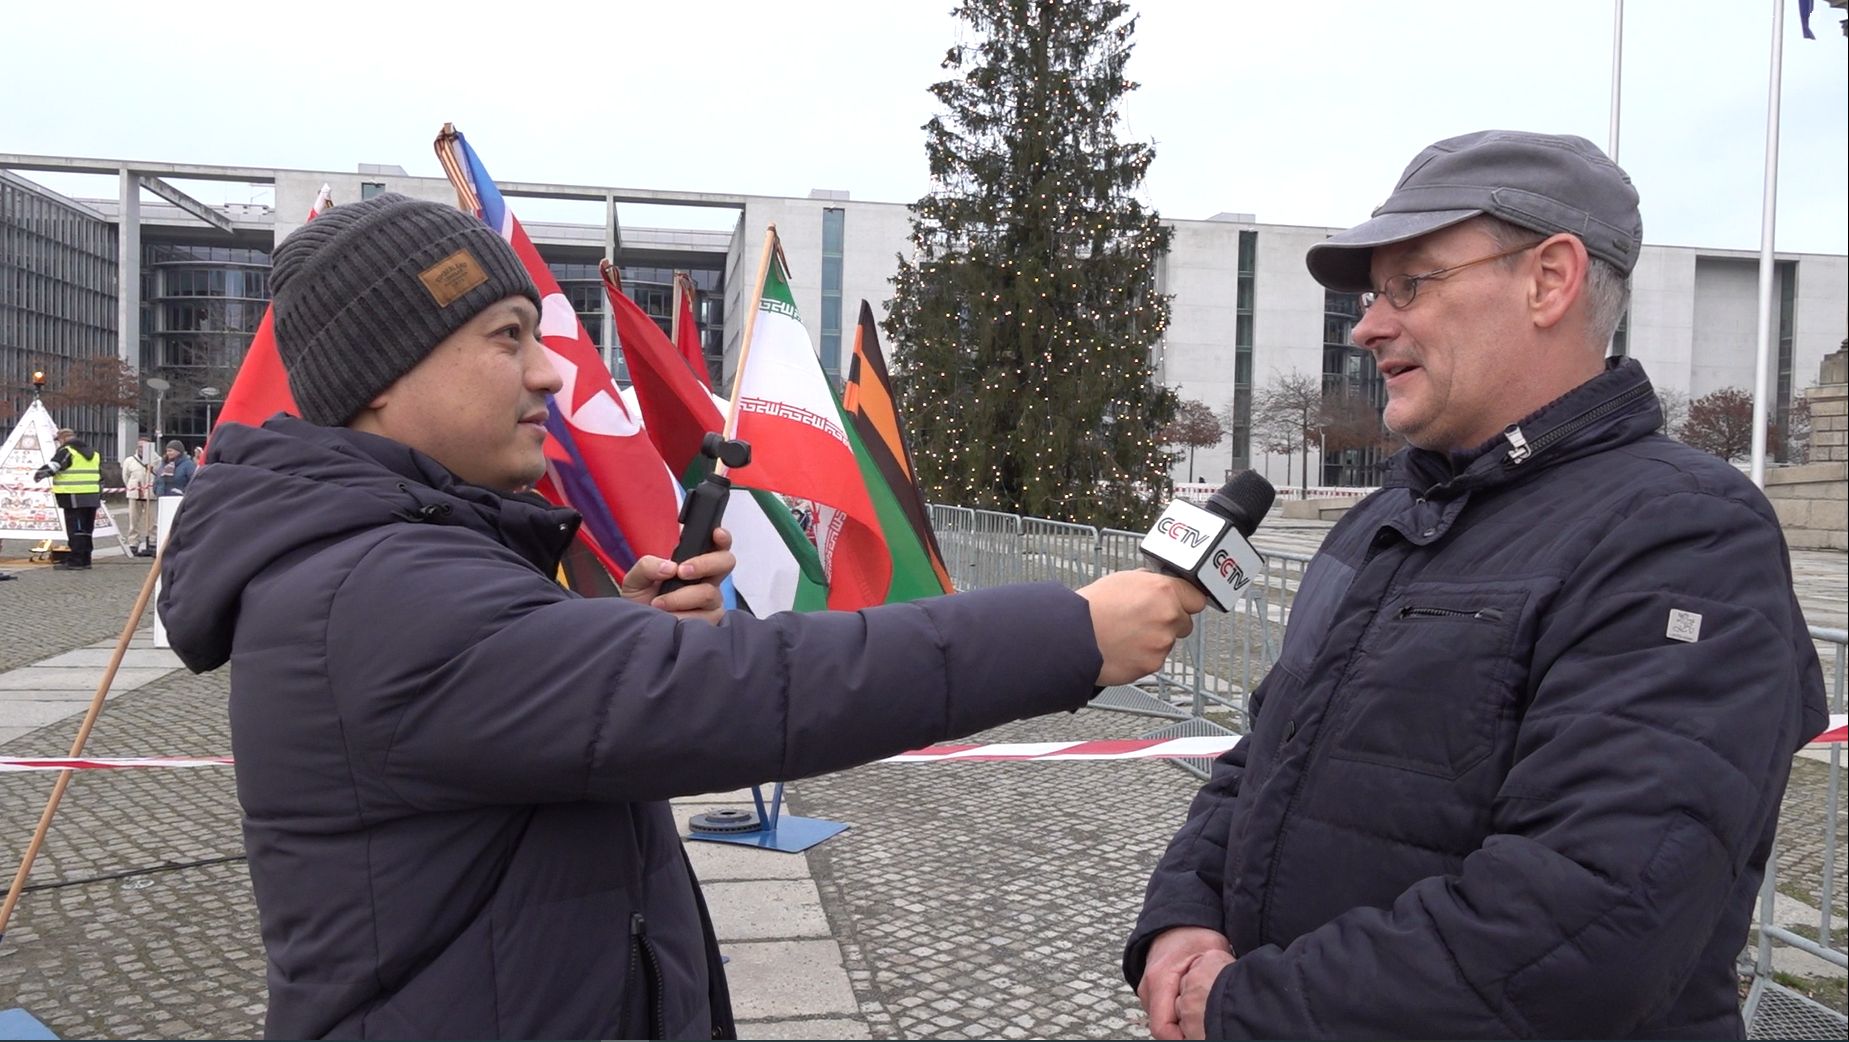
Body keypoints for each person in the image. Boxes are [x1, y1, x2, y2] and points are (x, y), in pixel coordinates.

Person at [158, 193, 1205, 1040]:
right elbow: (749, 690)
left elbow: (521, 707)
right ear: (382, 378)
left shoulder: (390, 561)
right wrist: (1070, 634)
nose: (548, 370)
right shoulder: (376, 588)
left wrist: (613, 631)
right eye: (507, 337)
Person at [1124, 131, 1828, 1040]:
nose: (1368, 327)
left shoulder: (1684, 533)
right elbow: (1264, 755)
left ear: (1549, 280)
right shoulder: (1380, 520)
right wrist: (1185, 915)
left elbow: (1589, 925)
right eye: (1373, 294)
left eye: (1409, 285)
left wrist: (1247, 1008)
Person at [32, 427, 101, 570]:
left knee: (76, 529)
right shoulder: (94, 453)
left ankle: (76, 561)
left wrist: (38, 474)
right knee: (87, 530)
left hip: (73, 496)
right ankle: (86, 559)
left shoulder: (67, 451)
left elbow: (53, 467)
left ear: (62, 439)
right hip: (92, 496)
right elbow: (100, 475)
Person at [120, 433, 157, 556]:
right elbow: (125, 476)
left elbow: (158, 473)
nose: (142, 449)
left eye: (145, 447)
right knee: (134, 520)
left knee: (152, 520)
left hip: (150, 494)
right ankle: (133, 543)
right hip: (135, 494)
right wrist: (132, 487)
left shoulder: (156, 460)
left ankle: (152, 541)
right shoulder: (129, 461)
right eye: (140, 447)